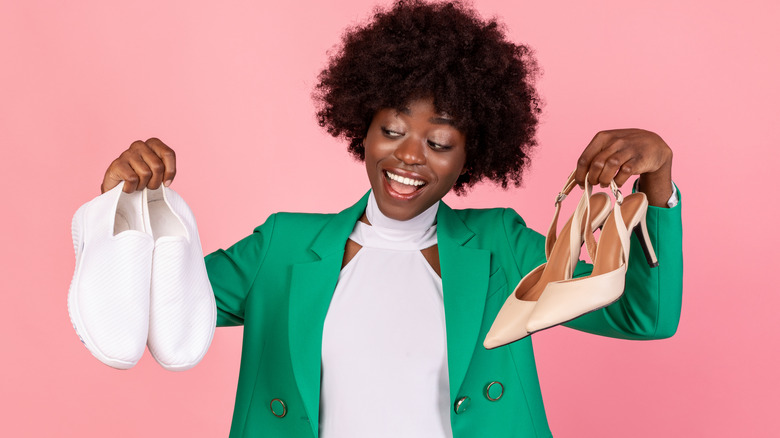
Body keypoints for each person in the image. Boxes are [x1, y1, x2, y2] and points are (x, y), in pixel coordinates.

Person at [98, 1, 682, 437]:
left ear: (469, 156)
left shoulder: (501, 247)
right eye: (393, 131)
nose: (408, 156)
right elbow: (144, 310)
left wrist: (657, 181)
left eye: (439, 141)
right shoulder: (281, 246)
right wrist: (120, 205)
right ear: (363, 128)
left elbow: (643, 317)